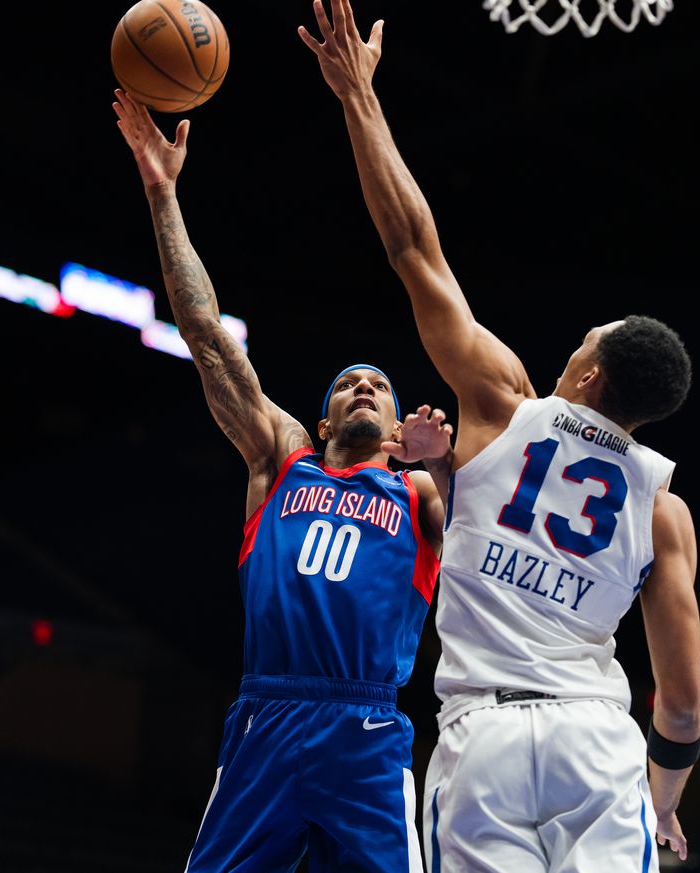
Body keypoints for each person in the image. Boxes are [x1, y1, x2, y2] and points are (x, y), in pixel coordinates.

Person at [299, 2, 700, 870]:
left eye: (585, 339)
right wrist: (661, 805)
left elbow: (412, 246)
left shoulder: (501, 404)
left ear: (589, 375)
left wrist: (359, 99)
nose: (573, 343)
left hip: (481, 735)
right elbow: (680, 711)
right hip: (597, 743)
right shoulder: (664, 511)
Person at [112, 88, 456, 872]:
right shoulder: (281, 460)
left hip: (365, 729)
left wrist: (440, 459)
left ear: (399, 430)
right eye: (347, 384)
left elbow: (488, 542)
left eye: (380, 384)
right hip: (267, 712)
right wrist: (162, 191)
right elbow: (206, 335)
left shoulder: (420, 495)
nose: (364, 386)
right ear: (324, 421)